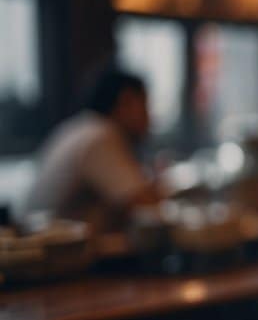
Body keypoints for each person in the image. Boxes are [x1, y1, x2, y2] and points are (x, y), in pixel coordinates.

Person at [25, 62, 158, 231]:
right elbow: (144, 206)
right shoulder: (99, 136)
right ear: (126, 101)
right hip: (59, 253)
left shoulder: (83, 127)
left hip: (52, 245)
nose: (149, 118)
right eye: (145, 106)